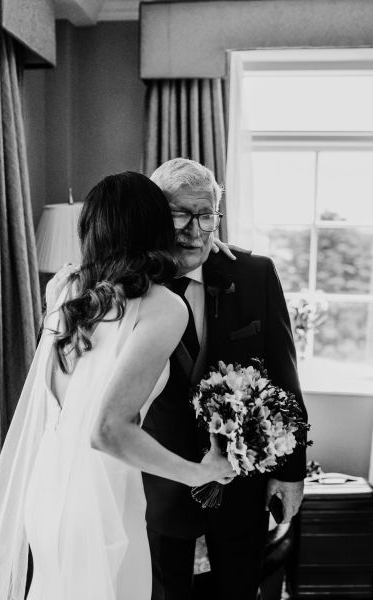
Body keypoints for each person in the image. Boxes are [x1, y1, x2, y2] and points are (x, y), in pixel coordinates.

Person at [0, 172, 235, 600]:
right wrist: (200, 472)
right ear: (156, 228)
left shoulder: (68, 291)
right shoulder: (164, 306)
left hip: (48, 488)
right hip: (103, 498)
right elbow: (108, 429)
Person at [141, 158, 308, 600]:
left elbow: (284, 379)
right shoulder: (131, 283)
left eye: (206, 215)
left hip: (241, 480)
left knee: (238, 589)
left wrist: (290, 473)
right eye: (178, 213)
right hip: (159, 480)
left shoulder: (255, 276)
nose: (193, 230)